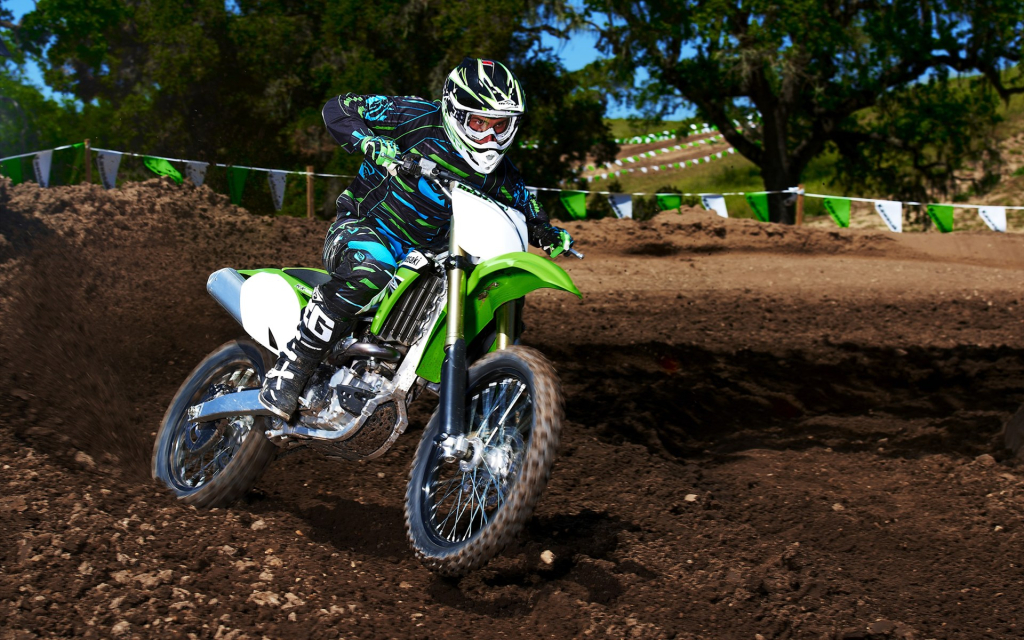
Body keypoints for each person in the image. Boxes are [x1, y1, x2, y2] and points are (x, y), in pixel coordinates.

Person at [258, 57, 574, 420]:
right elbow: (340, 107)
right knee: (373, 266)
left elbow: (527, 205)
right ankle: (292, 366)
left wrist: (546, 231)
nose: (490, 137)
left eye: (499, 126)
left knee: (483, 290)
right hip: (363, 228)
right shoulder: (414, 116)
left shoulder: (504, 176)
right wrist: (368, 142)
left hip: (434, 256)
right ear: (455, 112)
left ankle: (473, 394)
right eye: (479, 123)